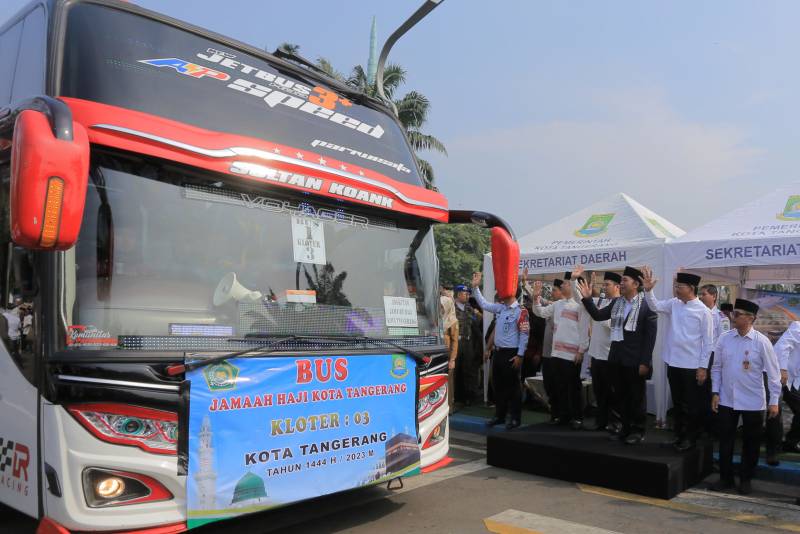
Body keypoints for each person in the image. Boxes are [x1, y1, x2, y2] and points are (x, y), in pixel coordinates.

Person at [576, 266, 657, 445]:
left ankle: (637, 430)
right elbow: (598, 315)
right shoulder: (617, 303)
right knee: (621, 396)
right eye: (621, 281)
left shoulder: (647, 306)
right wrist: (587, 298)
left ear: (636, 284)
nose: (621, 283)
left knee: (636, 397)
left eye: (625, 280)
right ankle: (625, 428)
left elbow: (650, 338)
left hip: (635, 361)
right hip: (615, 358)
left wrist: (645, 362)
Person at [710, 299, 781, 495]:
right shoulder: (724, 338)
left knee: (751, 443)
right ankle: (725, 478)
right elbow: (716, 367)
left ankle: (746, 479)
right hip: (727, 398)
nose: (733, 316)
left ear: (751, 318)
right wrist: (715, 392)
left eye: (738, 314)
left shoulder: (762, 342)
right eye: (734, 312)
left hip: (753, 401)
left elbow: (774, 374)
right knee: (725, 441)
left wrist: (774, 401)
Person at [642, 268, 714, 452]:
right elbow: (655, 306)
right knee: (678, 403)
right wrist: (648, 291)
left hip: (691, 366)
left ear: (691, 288)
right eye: (676, 286)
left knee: (691, 405)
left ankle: (690, 438)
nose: (676, 289)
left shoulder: (703, 311)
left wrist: (703, 368)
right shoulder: (674, 304)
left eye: (679, 286)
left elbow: (708, 343)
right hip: (673, 362)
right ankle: (679, 435)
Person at [530, 272, 590, 429]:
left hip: (572, 355)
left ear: (573, 286)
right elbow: (540, 312)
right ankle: (564, 416)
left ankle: (577, 418)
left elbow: (584, 329)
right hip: (556, 354)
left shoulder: (580, 305)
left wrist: (581, 351)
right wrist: (536, 298)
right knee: (560, 387)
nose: (562, 285)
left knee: (573, 387)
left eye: (565, 283)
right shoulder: (557, 304)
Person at [472, 271, 529, 430]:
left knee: (513, 388)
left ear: (511, 292)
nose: (500, 291)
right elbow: (484, 304)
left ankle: (515, 418)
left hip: (511, 354)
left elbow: (525, 335)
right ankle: (500, 416)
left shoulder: (521, 311)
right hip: (498, 353)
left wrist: (520, 355)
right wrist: (476, 288)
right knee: (498, 386)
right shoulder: (501, 308)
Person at [583, 271, 620, 432]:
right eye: (603, 284)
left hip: (609, 356)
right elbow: (588, 303)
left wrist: (598, 312)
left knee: (612, 392)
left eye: (607, 284)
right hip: (596, 354)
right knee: (599, 392)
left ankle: (616, 424)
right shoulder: (602, 301)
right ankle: (601, 421)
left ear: (617, 286)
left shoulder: (619, 304)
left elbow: (609, 325)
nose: (604, 287)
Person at [524, 277, 563, 423]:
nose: (552, 293)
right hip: (547, 354)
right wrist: (525, 284)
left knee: (558, 385)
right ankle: (554, 412)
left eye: (555, 290)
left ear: (562, 292)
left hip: (558, 354)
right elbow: (537, 298)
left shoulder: (565, 306)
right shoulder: (552, 305)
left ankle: (561, 413)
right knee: (549, 384)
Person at [774, 322, 800, 455]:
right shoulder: (798, 326)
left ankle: (790, 442)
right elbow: (783, 346)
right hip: (782, 376)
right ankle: (775, 447)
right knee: (774, 410)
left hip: (793, 380)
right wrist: (783, 369)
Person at [454, 284, 480, 407]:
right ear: (458, 294)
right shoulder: (451, 307)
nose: (468, 296)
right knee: (455, 370)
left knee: (468, 369)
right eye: (465, 294)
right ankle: (455, 396)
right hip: (456, 342)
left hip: (468, 342)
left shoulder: (470, 308)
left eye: (469, 294)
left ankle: (468, 397)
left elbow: (477, 322)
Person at [441, 295, 459, 414]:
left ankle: (449, 407)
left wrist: (452, 359)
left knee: (449, 382)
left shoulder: (453, 321)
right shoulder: (438, 319)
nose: (441, 308)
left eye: (442, 306)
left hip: (448, 356)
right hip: (438, 354)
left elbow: (455, 341)